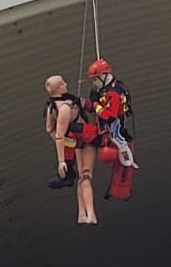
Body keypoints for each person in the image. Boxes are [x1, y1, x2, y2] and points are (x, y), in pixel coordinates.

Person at [44, 74, 100, 224]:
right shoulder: (65, 107)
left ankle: (81, 214)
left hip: (75, 144)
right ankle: (91, 214)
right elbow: (59, 135)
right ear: (58, 89)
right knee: (86, 176)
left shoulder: (51, 107)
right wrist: (61, 160)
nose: (66, 84)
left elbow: (50, 129)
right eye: (62, 83)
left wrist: (68, 143)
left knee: (80, 177)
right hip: (86, 142)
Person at [86, 58, 136, 202]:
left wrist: (95, 103)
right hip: (108, 132)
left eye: (95, 79)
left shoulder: (113, 94)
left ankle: (120, 191)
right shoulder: (109, 90)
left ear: (103, 76)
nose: (94, 82)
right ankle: (117, 190)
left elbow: (109, 115)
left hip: (113, 133)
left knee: (81, 132)